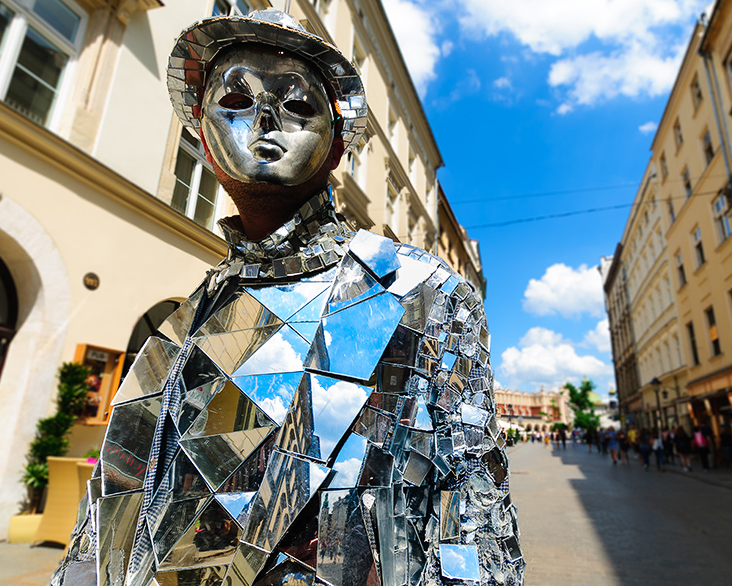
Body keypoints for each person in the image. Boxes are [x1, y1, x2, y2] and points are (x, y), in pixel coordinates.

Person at [49, 10, 523, 586]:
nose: (265, 120)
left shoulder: (417, 289)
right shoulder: (180, 327)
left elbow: (475, 517)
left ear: (337, 148)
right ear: (202, 135)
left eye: (298, 106)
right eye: (236, 100)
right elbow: (110, 517)